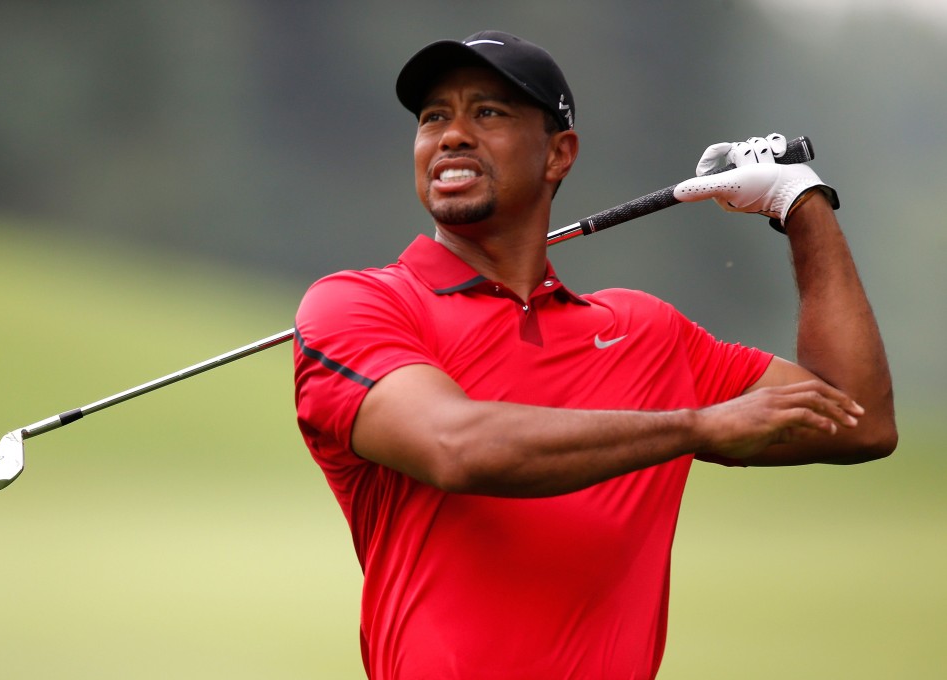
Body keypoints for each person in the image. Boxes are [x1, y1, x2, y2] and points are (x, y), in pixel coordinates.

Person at [292, 30, 896, 680]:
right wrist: (696, 425)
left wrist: (799, 201)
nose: (453, 135)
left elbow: (860, 419)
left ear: (559, 153)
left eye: (488, 112)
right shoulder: (357, 307)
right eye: (434, 116)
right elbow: (455, 447)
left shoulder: (646, 333)